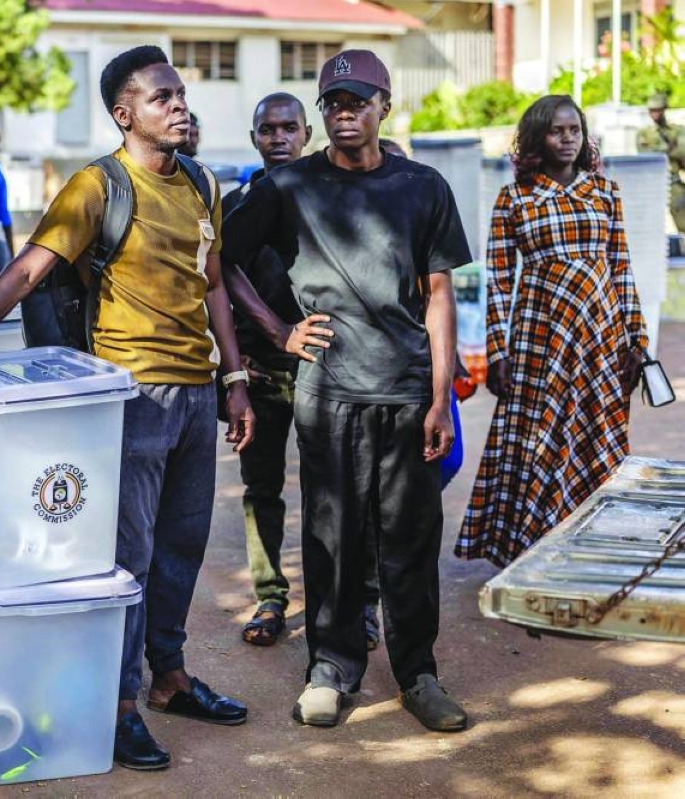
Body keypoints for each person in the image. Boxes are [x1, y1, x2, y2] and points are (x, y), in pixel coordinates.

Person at [0, 45, 254, 771]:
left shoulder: (201, 182)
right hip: (129, 397)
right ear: (124, 113)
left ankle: (169, 677)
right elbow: (26, 270)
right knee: (125, 558)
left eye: (182, 94)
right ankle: (119, 702)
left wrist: (235, 378)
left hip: (196, 396)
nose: (179, 105)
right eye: (163, 97)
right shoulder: (96, 186)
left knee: (181, 547)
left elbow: (214, 284)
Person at [222, 49, 469, 732]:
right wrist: (277, 329)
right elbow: (220, 259)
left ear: (384, 104)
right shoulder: (288, 186)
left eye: (356, 101)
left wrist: (441, 395)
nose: (342, 114)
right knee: (331, 534)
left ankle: (418, 674)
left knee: (412, 538)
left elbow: (439, 296)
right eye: (332, 103)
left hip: (406, 390)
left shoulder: (423, 186)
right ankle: (330, 669)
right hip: (327, 390)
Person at [458, 95, 647, 567]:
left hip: (601, 341)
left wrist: (637, 341)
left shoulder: (605, 191)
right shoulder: (514, 198)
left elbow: (621, 267)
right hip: (540, 341)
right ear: (537, 137)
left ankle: (592, 547)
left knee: (596, 437)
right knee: (537, 439)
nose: (568, 139)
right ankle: (532, 549)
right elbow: (499, 280)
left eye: (575, 131)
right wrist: (497, 352)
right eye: (557, 131)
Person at [222, 93, 310, 648]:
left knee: (344, 490)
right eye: (267, 130)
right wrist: (232, 369)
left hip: (327, 371)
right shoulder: (239, 202)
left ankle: (358, 600)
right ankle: (271, 597)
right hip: (258, 371)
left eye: (288, 129)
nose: (277, 138)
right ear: (254, 137)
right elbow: (213, 281)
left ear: (307, 135)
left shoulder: (332, 197)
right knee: (261, 489)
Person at [636, 93, 685, 233]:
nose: (655, 114)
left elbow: (683, 151)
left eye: (658, 110)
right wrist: (670, 149)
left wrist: (662, 151)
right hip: (652, 183)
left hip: (673, 182)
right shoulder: (644, 133)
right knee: (650, 225)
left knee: (682, 220)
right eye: (652, 110)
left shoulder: (677, 130)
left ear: (664, 109)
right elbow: (645, 155)